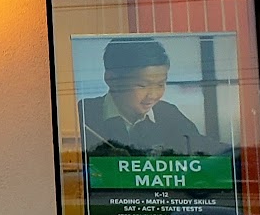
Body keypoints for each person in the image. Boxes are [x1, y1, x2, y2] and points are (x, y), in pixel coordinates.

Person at [79, 37, 208, 155]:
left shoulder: (169, 114)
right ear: (112, 80)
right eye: (142, 85)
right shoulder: (85, 113)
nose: (153, 95)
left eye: (160, 84)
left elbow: (204, 151)